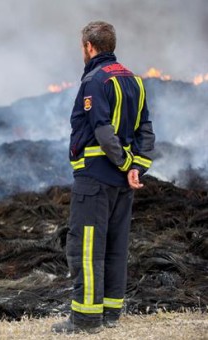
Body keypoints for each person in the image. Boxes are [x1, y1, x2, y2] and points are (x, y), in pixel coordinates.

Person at [52, 21, 156, 334]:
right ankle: (111, 313)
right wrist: (137, 166)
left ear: (89, 47)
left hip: (94, 180)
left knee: (84, 248)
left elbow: (101, 130)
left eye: (82, 47)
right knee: (115, 247)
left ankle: (84, 320)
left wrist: (125, 163)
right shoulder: (135, 81)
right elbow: (145, 130)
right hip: (123, 185)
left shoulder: (95, 81)